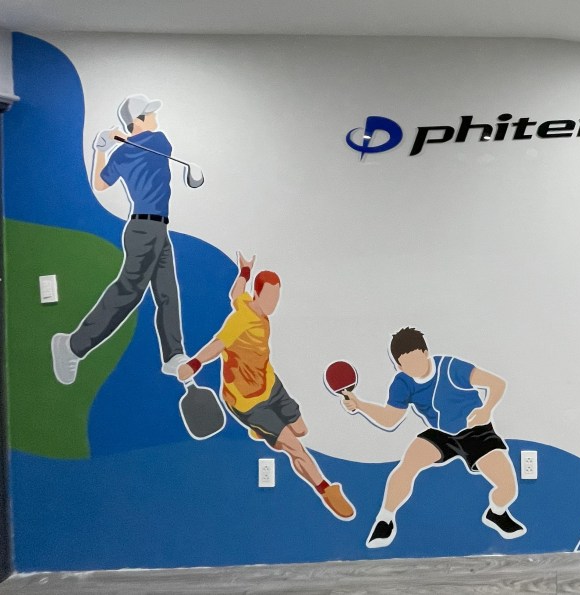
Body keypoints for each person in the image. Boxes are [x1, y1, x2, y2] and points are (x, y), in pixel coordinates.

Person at [176, 254, 355, 521]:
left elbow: (235, 293)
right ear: (258, 295)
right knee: (294, 446)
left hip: (270, 384)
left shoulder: (247, 302)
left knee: (301, 429)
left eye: (276, 297)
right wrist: (194, 364)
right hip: (246, 401)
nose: (273, 303)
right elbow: (218, 344)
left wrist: (245, 271)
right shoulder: (240, 320)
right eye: (269, 297)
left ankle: (264, 431)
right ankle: (326, 489)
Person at [342, 327, 524, 548]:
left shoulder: (451, 367)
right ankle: (385, 519)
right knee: (407, 465)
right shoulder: (402, 383)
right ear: (399, 366)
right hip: (440, 434)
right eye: (406, 364)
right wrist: (360, 405)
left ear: (426, 352)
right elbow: (390, 419)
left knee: (508, 488)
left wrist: (486, 410)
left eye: (416, 359)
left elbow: (497, 384)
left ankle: (496, 512)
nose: (413, 367)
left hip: (476, 431)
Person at [51, 94, 188, 385]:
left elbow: (102, 181)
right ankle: (73, 346)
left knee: (167, 291)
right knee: (128, 293)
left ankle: (173, 355)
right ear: (138, 120)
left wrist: (107, 145)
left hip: (156, 229)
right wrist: (105, 146)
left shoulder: (147, 145)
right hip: (144, 230)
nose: (155, 117)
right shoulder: (145, 144)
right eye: (150, 114)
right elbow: (100, 184)